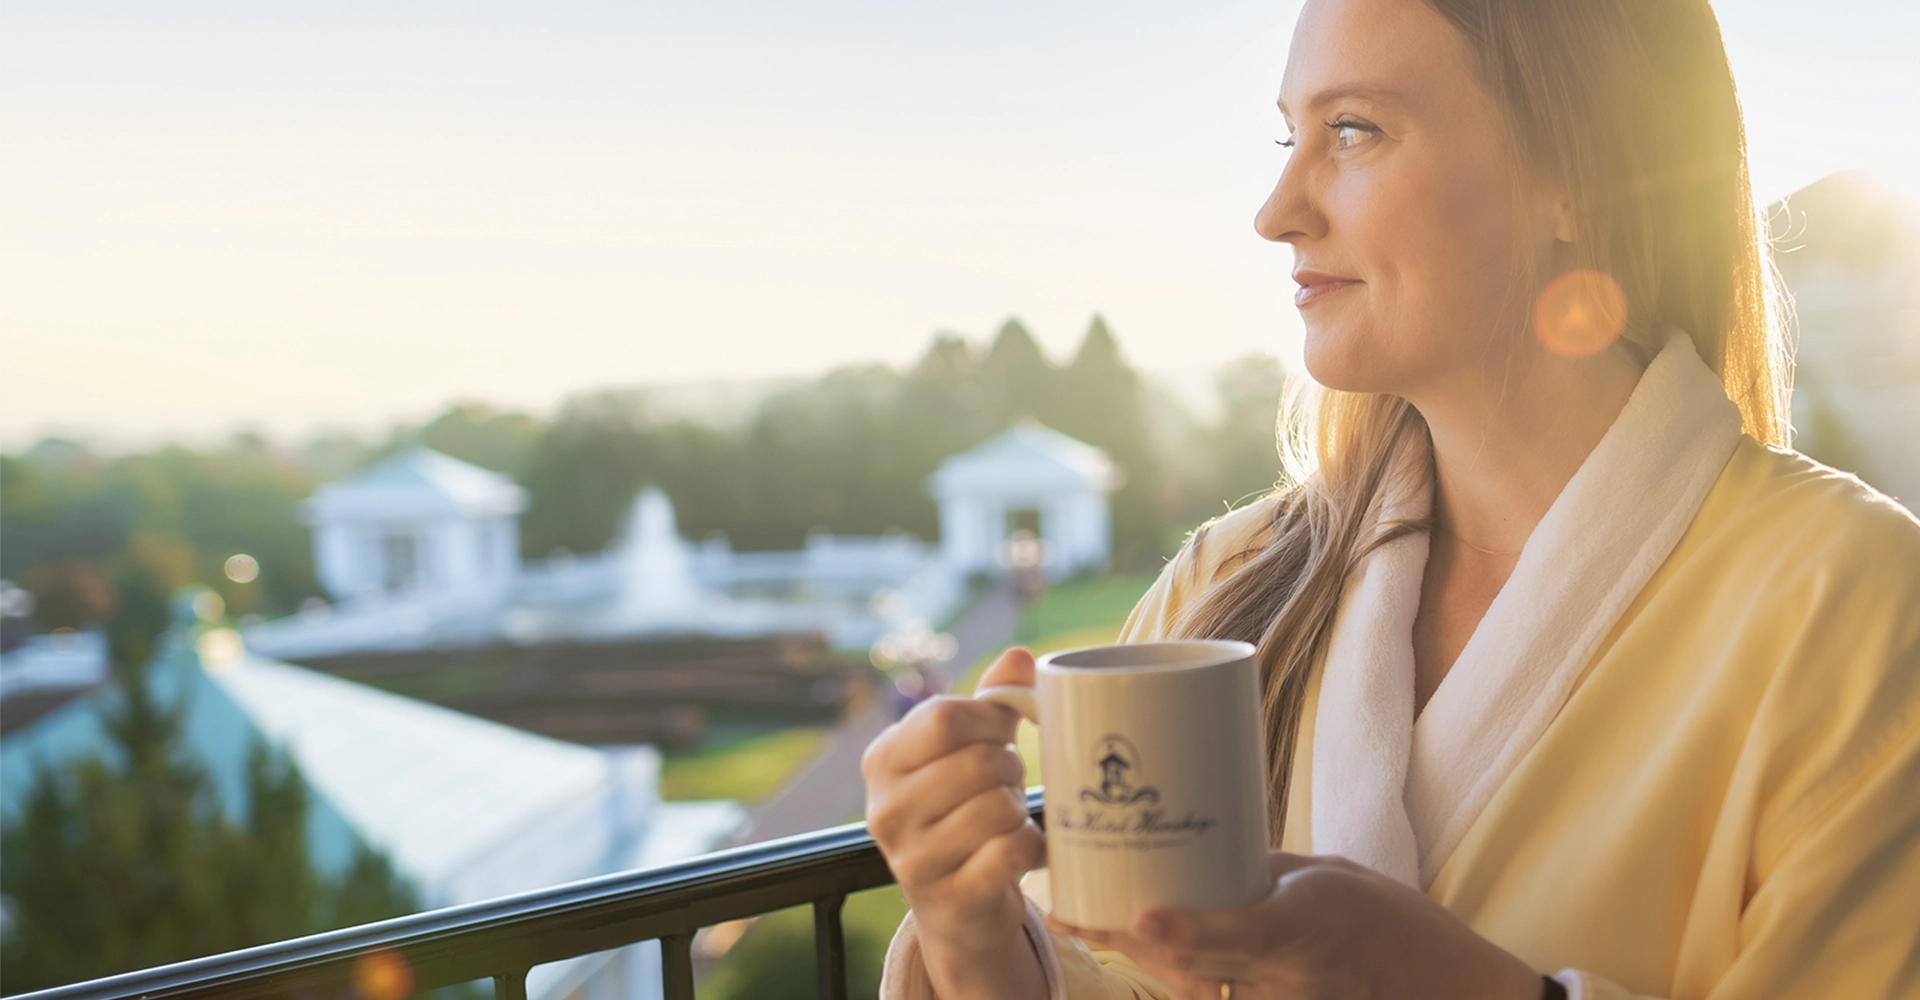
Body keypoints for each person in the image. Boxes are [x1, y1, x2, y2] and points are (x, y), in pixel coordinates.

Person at [860, 0, 1920, 997]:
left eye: (1356, 131)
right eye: (1291, 138)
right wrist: (977, 939)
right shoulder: (1224, 589)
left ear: (1581, 178)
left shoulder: (1857, 608)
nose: (1277, 213)